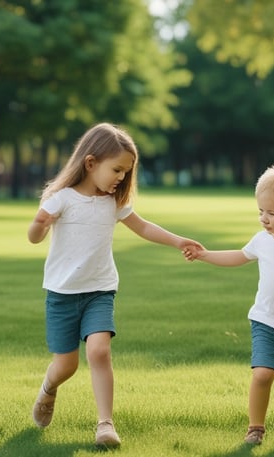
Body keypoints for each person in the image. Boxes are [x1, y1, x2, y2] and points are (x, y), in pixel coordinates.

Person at [27, 122, 202, 448]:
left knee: (99, 350)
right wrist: (39, 225)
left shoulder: (114, 203)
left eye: (126, 172)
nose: (121, 177)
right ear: (91, 163)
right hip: (62, 294)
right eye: (117, 170)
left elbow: (145, 228)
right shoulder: (61, 198)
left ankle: (105, 424)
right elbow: (35, 237)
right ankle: (48, 389)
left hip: (99, 290)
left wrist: (179, 241)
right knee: (66, 365)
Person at [183, 163, 274, 445]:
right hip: (265, 321)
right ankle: (256, 428)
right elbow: (238, 256)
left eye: (272, 213)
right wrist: (204, 254)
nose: (264, 218)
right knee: (262, 374)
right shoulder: (261, 240)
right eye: (261, 211)